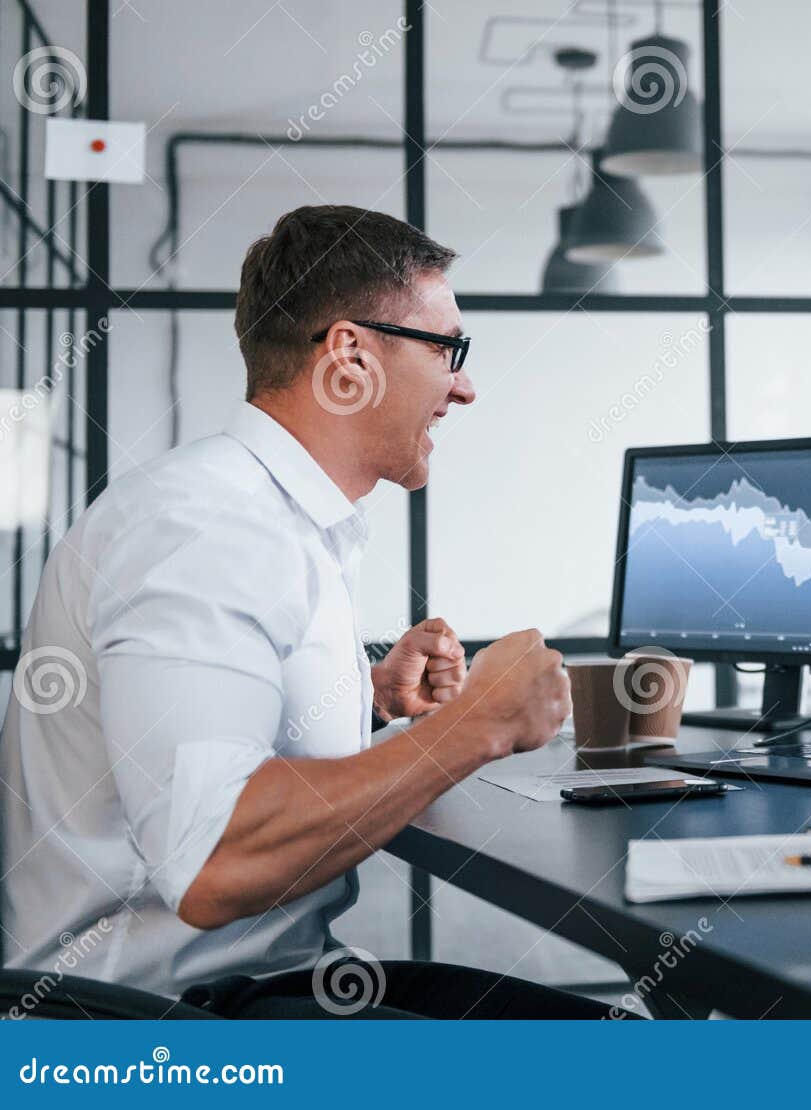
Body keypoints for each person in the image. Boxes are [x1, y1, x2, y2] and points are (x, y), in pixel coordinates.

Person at [0, 205, 604, 1018]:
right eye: (448, 350)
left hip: (263, 982)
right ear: (350, 355)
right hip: (155, 1026)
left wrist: (366, 695)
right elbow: (213, 860)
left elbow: (202, 737)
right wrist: (477, 725)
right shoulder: (206, 527)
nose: (463, 385)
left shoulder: (266, 516)